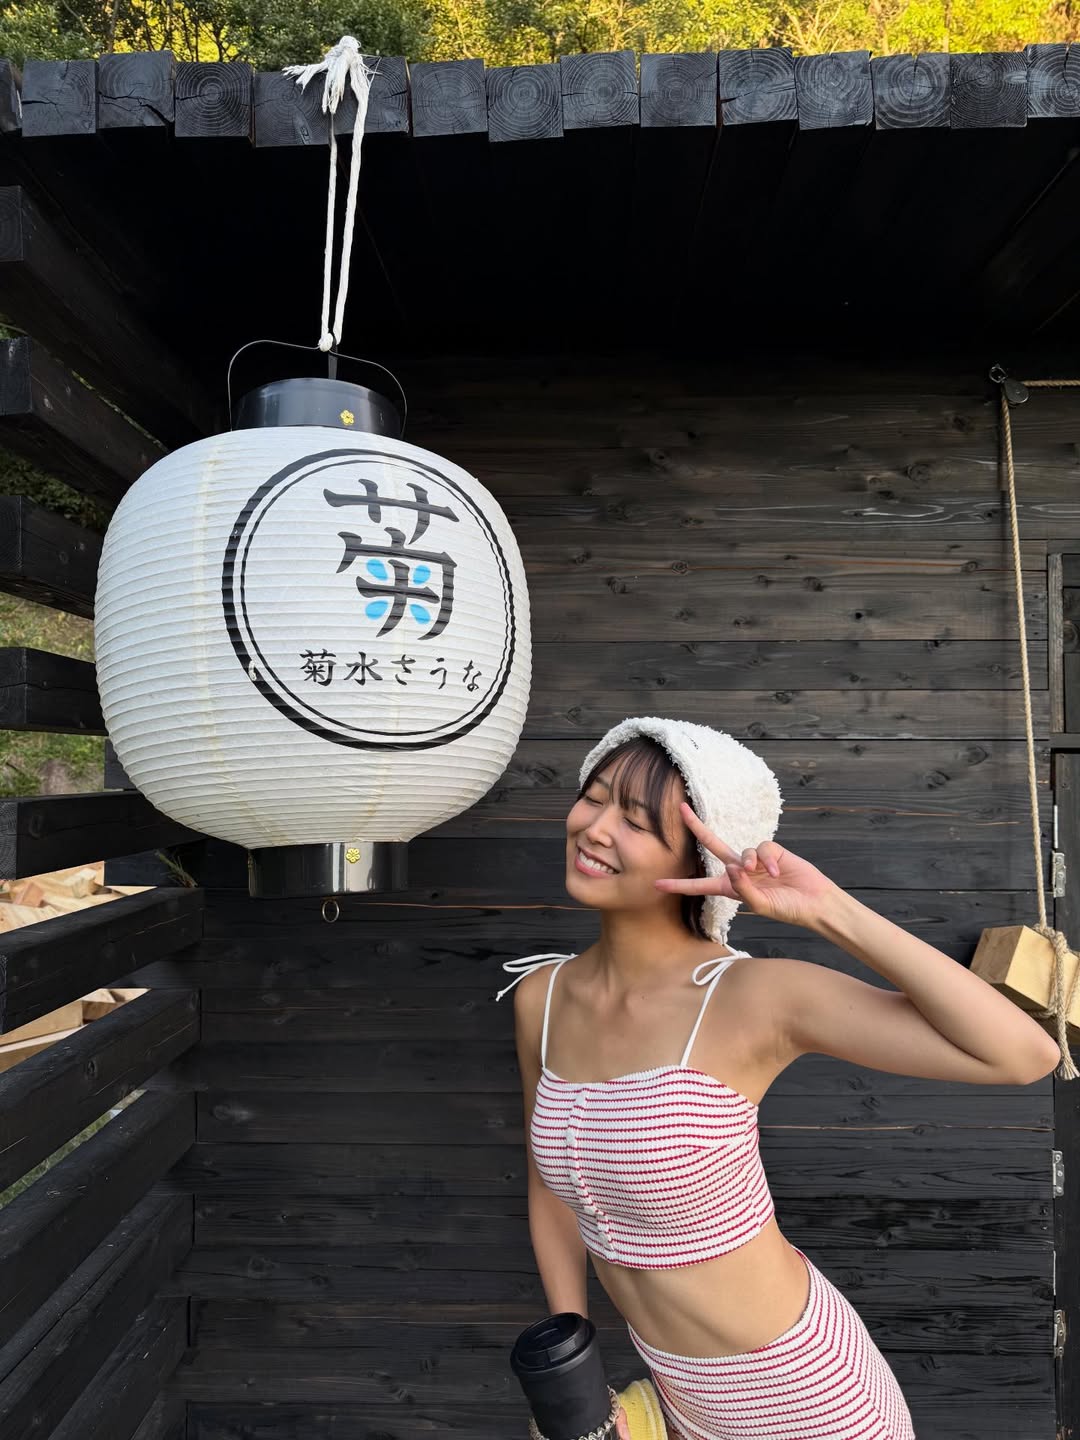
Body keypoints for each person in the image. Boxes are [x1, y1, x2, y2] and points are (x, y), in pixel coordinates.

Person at [496, 717, 1060, 1440]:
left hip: (804, 1397)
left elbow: (1023, 1054)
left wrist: (827, 910)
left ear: (699, 854)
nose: (596, 829)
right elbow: (550, 1189)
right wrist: (571, 1371)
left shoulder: (754, 997)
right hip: (680, 1396)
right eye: (594, 797)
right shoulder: (542, 998)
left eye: (635, 820)